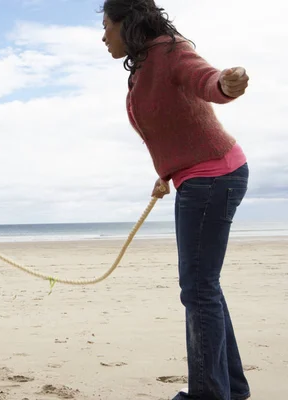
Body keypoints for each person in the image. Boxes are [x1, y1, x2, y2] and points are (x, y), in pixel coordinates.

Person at [100, 1, 251, 399]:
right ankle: (230, 388)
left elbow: (204, 79)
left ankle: (209, 394)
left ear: (126, 24)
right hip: (200, 177)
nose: (103, 37)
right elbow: (172, 125)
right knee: (205, 288)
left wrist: (225, 83)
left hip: (214, 177)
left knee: (198, 290)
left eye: (106, 27)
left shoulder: (170, 49)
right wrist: (166, 172)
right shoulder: (146, 64)